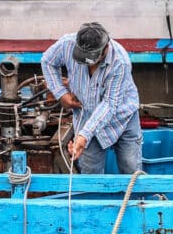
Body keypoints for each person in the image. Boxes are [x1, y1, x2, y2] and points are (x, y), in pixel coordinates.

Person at [41, 21, 143, 174]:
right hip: (86, 116)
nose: (88, 65)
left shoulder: (120, 62)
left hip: (122, 118)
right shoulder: (66, 44)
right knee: (90, 172)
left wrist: (83, 136)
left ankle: (136, 197)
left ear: (105, 49)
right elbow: (47, 61)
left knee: (131, 169)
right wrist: (61, 93)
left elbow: (109, 104)